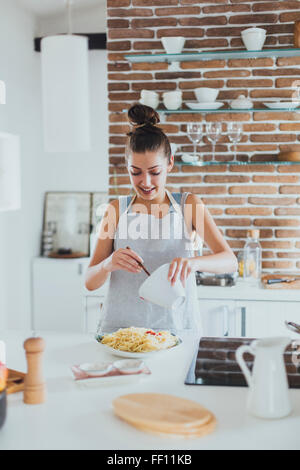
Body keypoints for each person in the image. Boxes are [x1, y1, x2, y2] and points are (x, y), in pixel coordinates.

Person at [85, 104, 237, 334]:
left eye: (154, 172)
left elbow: (230, 261)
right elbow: (90, 281)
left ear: (170, 164)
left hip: (176, 328)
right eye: (135, 172)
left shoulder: (189, 205)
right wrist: (108, 264)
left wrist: (194, 263)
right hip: (120, 331)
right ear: (127, 167)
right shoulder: (115, 211)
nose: (145, 182)